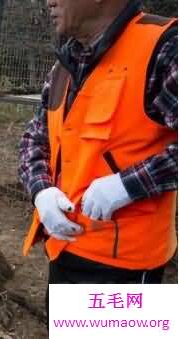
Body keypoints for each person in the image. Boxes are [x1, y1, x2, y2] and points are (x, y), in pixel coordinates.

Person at [19, 0, 177, 290]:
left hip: (126, 270)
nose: (48, 2)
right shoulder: (64, 67)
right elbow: (34, 139)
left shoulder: (165, 48)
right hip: (63, 251)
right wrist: (41, 190)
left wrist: (128, 185)